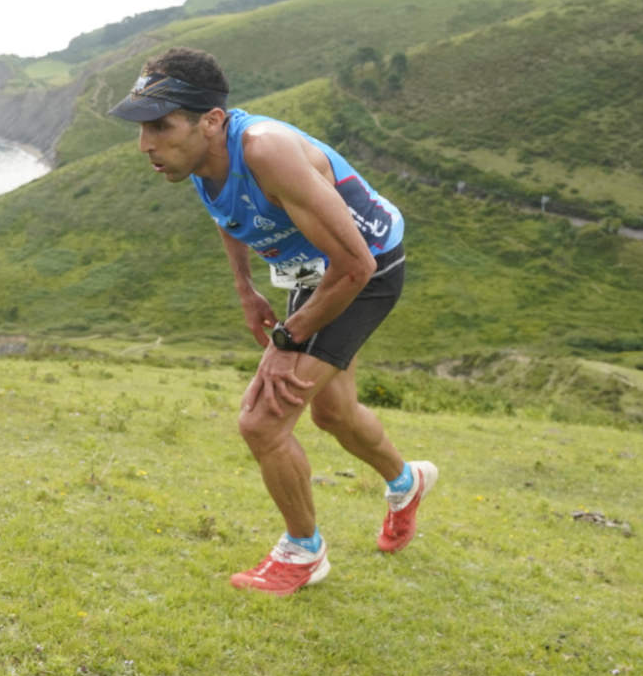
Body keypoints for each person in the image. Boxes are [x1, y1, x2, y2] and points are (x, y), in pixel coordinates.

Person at [109, 47, 437, 596]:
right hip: (313, 268)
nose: (146, 145)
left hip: (365, 266)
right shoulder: (194, 155)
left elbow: (355, 267)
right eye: (142, 129)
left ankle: (304, 552)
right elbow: (227, 211)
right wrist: (245, 287)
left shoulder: (267, 150)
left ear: (211, 121)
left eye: (160, 127)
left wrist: (287, 338)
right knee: (333, 412)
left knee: (262, 420)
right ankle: (407, 483)